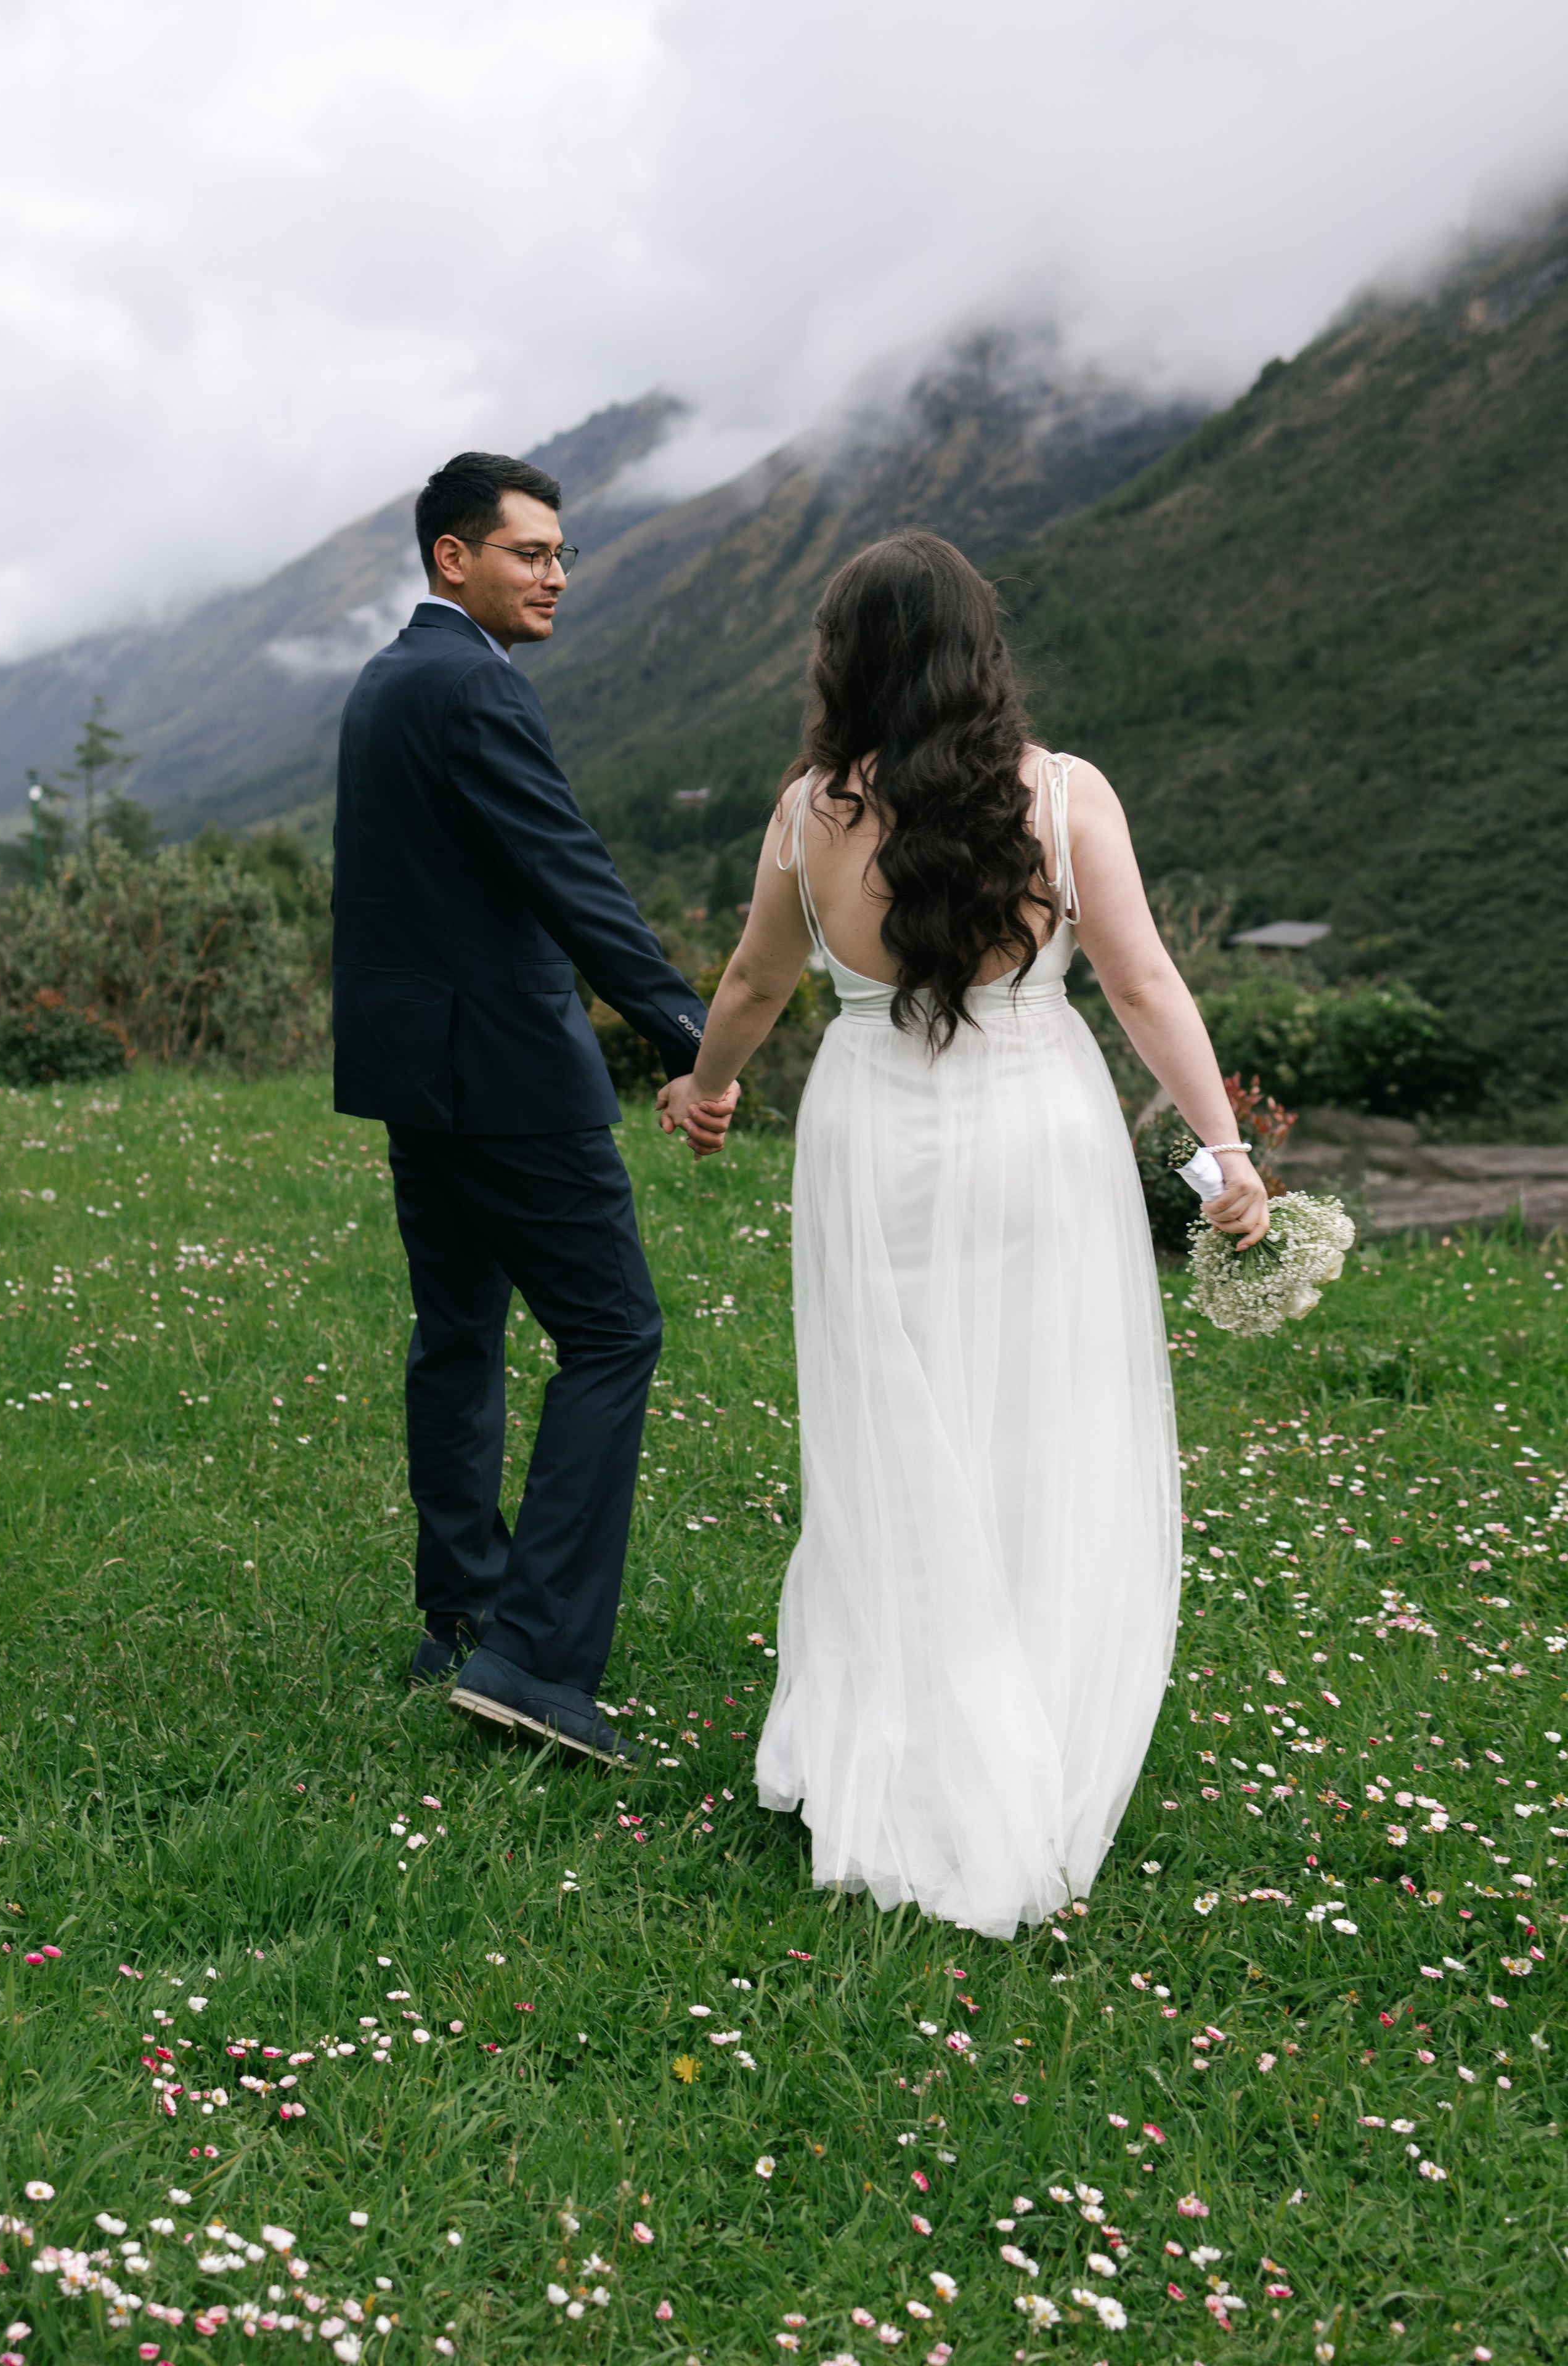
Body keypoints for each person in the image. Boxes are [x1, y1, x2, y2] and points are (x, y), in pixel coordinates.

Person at [662, 530, 1269, 1939]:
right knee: (1038, 1422)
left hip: (870, 1134)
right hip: (1030, 1127)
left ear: (842, 662)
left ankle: (907, 1718)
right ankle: (1030, 1720)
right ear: (977, 650)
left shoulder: (805, 814)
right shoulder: (1058, 797)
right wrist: (1222, 1149)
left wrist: (705, 1090)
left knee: (889, 1425)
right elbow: (1138, 980)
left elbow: (756, 979)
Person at [333, 450, 736, 1765]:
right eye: (530, 553)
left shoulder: (386, 682)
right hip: (510, 1075)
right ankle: (536, 1661)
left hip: (415, 1070)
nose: (557, 575)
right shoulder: (473, 690)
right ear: (454, 556)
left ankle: (459, 1611)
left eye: (562, 554)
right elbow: (568, 875)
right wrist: (695, 1039)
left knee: (455, 1333)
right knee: (612, 1335)